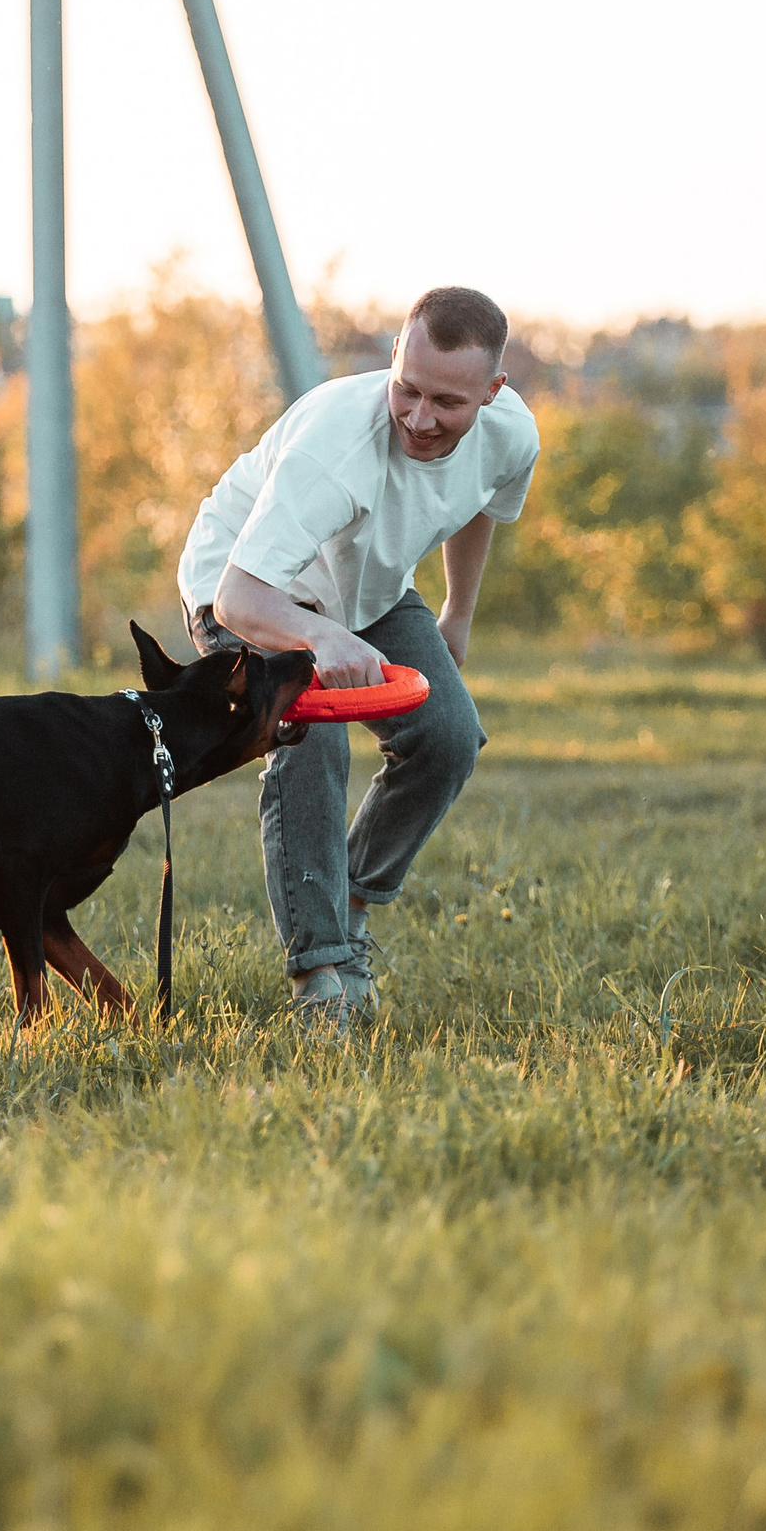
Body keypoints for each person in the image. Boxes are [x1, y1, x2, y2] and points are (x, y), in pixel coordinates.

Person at [175, 286, 539, 1031]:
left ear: (492, 393)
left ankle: (350, 903)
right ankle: (321, 975)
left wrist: (457, 613)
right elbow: (240, 597)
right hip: (244, 586)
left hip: (366, 591)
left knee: (447, 736)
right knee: (310, 733)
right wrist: (318, 638)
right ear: (393, 362)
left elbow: (479, 504)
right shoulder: (336, 443)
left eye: (447, 402)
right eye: (406, 387)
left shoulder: (512, 433)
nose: (418, 416)